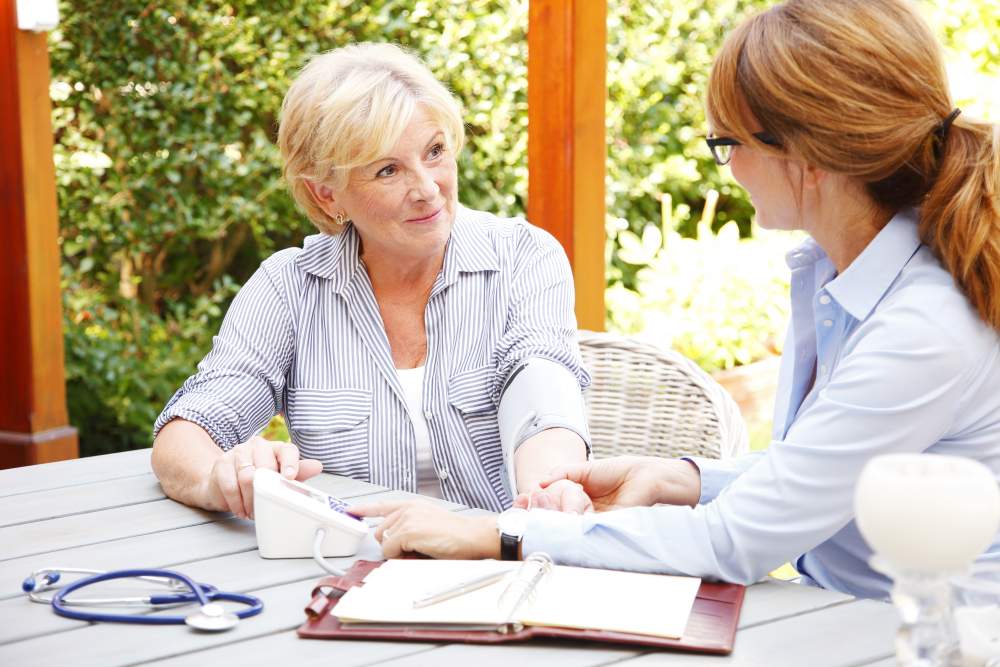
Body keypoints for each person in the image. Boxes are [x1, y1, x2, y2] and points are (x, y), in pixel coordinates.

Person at [352, 0, 1000, 599]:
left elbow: (735, 541)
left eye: (729, 145)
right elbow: (823, 470)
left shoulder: (924, 325)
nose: (730, 167)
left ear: (807, 156)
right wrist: (682, 479)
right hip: (847, 615)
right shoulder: (845, 270)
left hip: (932, 638)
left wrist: (496, 536)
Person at [150, 43, 595, 520]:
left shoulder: (523, 256)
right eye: (388, 169)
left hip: (496, 560)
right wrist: (225, 476)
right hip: (347, 568)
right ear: (326, 194)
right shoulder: (289, 288)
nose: (427, 189)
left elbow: (542, 390)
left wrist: (550, 488)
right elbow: (186, 431)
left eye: (435, 151)